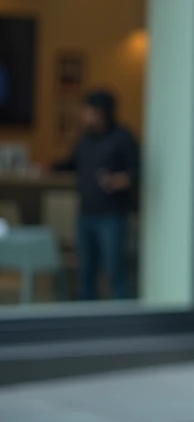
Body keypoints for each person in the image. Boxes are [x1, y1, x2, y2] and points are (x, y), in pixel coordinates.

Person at [52, 89, 140, 300]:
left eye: (87, 111)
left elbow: (136, 170)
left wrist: (120, 180)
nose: (83, 116)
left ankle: (123, 318)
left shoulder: (123, 137)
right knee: (86, 272)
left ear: (101, 112)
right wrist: (45, 167)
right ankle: (87, 316)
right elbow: (71, 163)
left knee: (114, 271)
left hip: (112, 216)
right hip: (85, 214)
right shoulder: (85, 138)